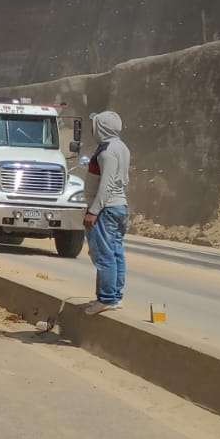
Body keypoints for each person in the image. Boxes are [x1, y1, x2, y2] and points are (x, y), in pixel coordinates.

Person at [83, 110, 130, 314]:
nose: (93, 128)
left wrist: (94, 210)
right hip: (118, 206)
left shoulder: (107, 152)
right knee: (116, 252)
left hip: (106, 208)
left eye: (96, 124)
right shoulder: (121, 147)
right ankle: (115, 296)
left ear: (102, 127)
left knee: (104, 254)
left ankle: (106, 298)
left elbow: (107, 184)